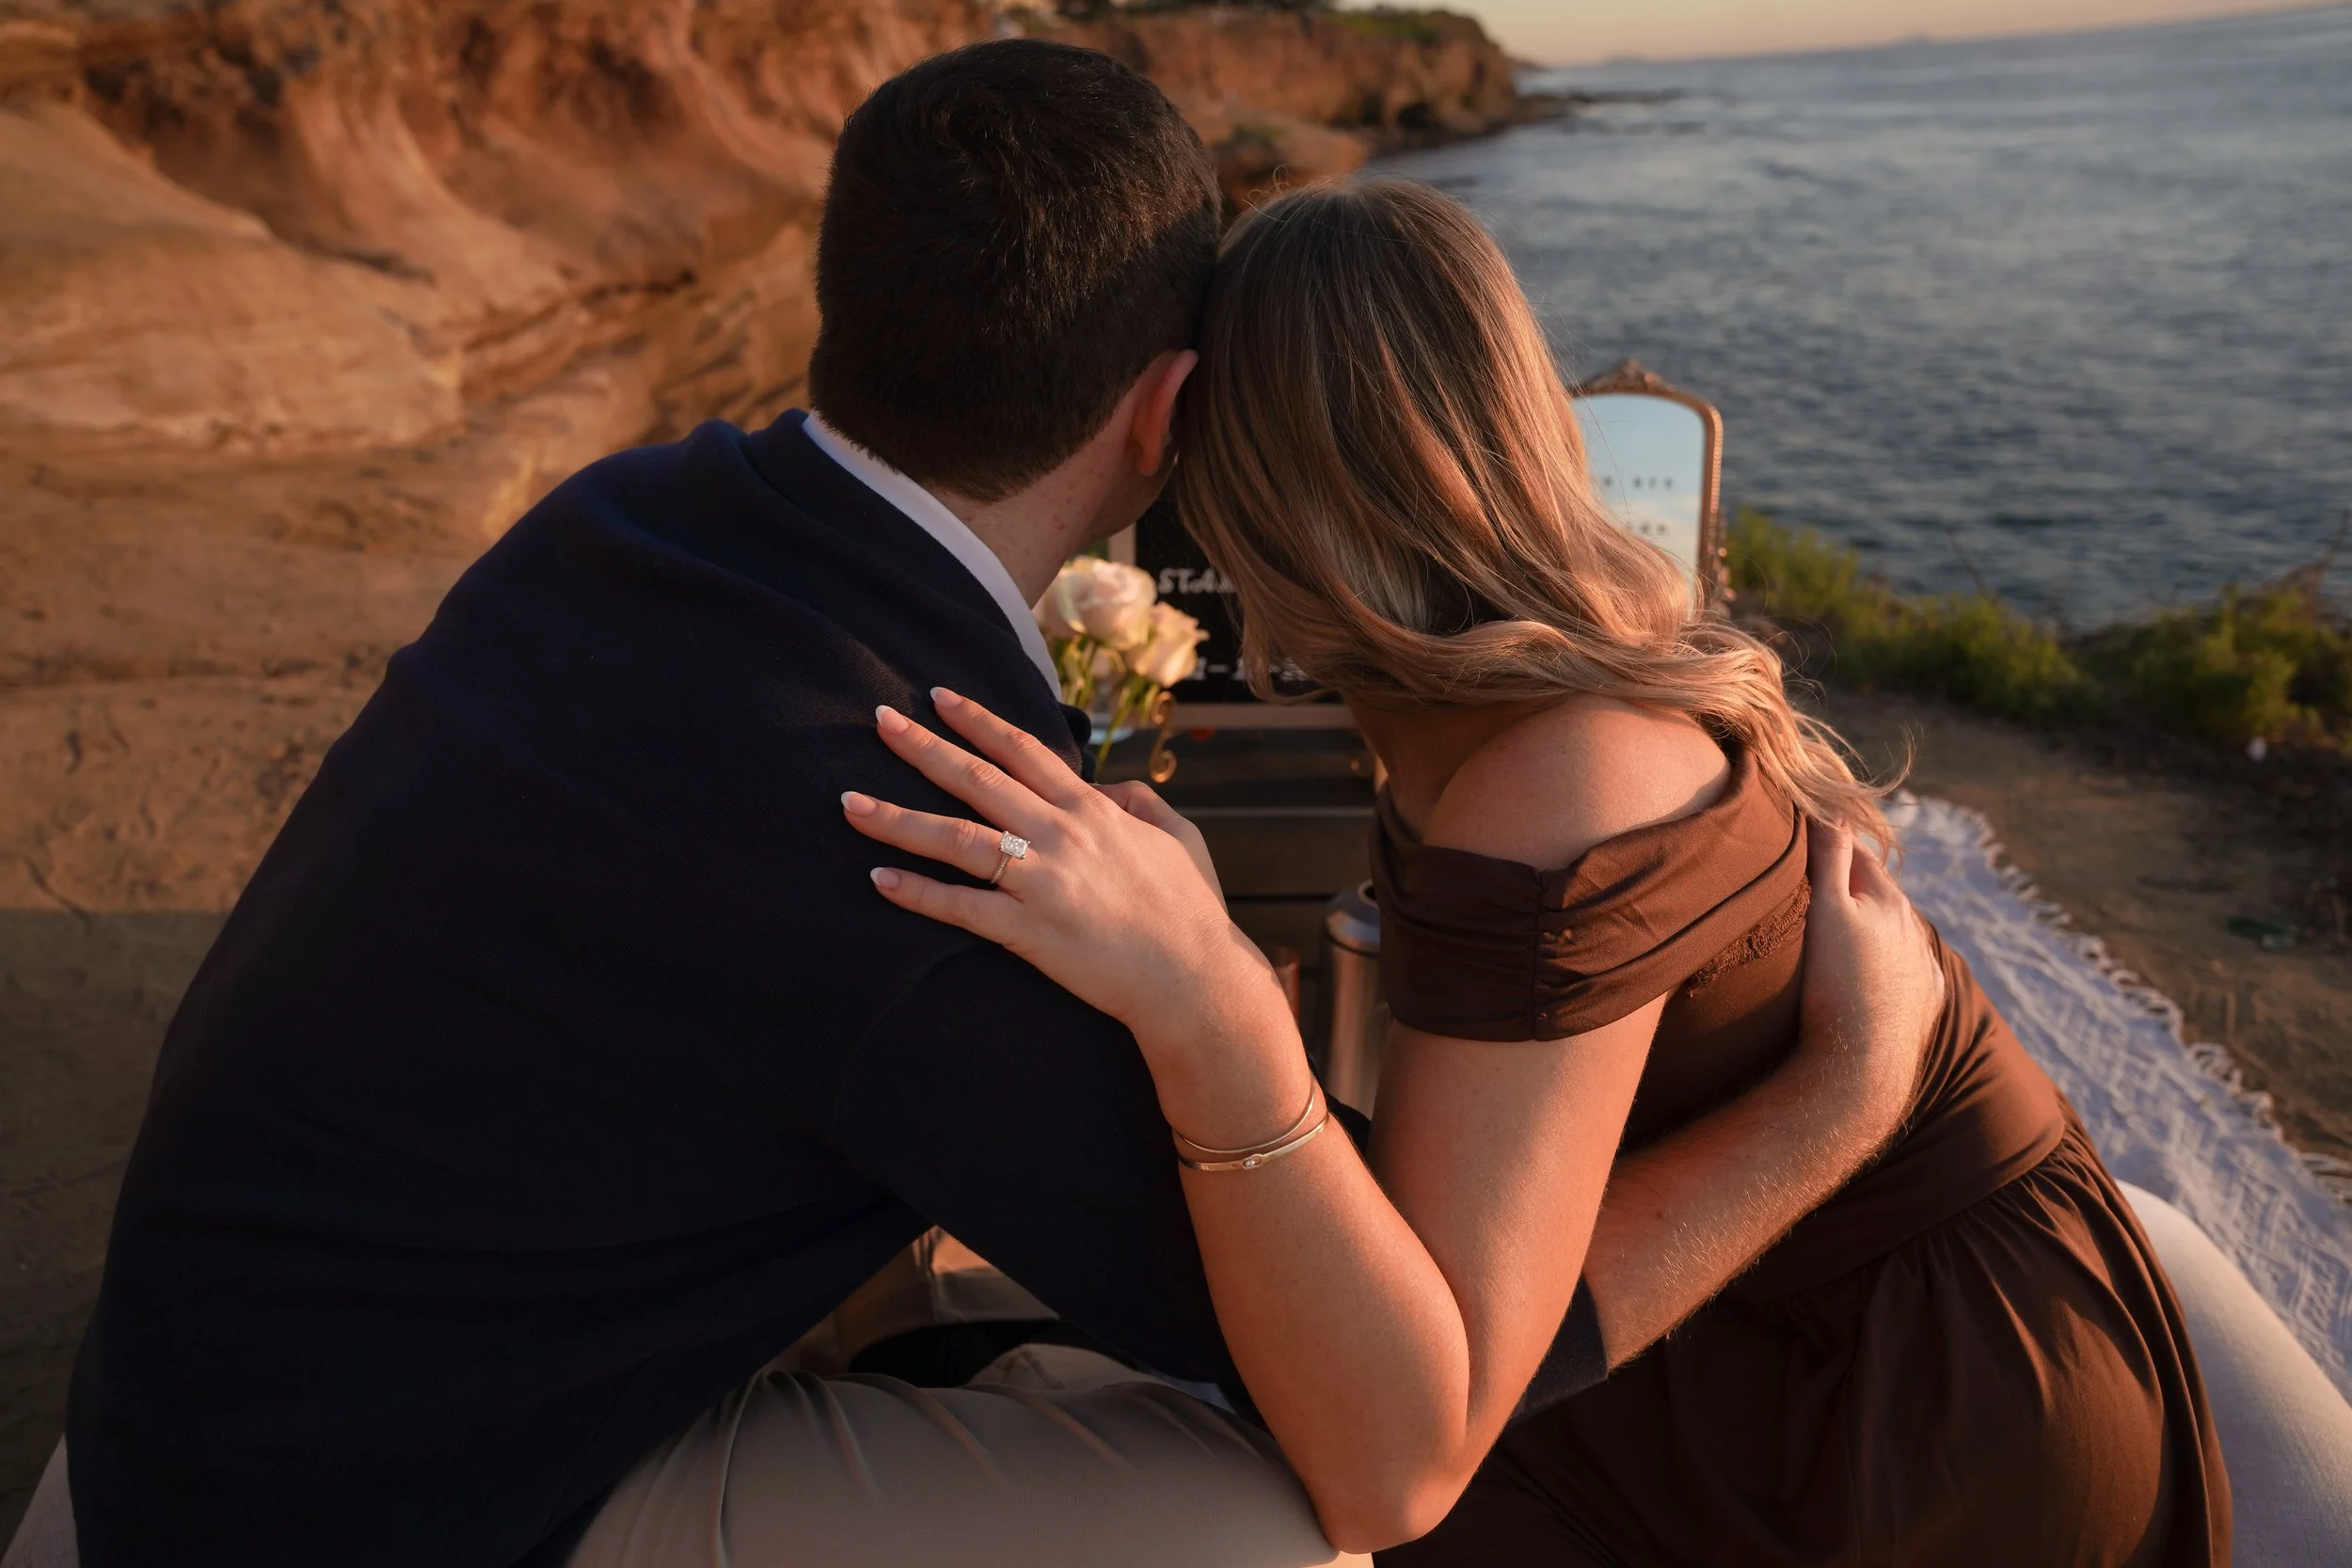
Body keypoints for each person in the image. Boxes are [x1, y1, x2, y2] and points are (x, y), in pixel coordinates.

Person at [33, 44, 1943, 1568]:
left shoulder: (628, 517)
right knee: (1263, 1536)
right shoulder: (935, 832)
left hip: (190, 1404)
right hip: (376, 1517)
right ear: (1166, 417)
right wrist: (1838, 1100)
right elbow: (1391, 1439)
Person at [848, 179, 2232, 1565]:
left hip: (1918, 1392)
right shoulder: (1504, 689)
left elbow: (1405, 1446)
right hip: (1734, 1317)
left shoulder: (1562, 771)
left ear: (1229, 471)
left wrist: (1842, 1096)